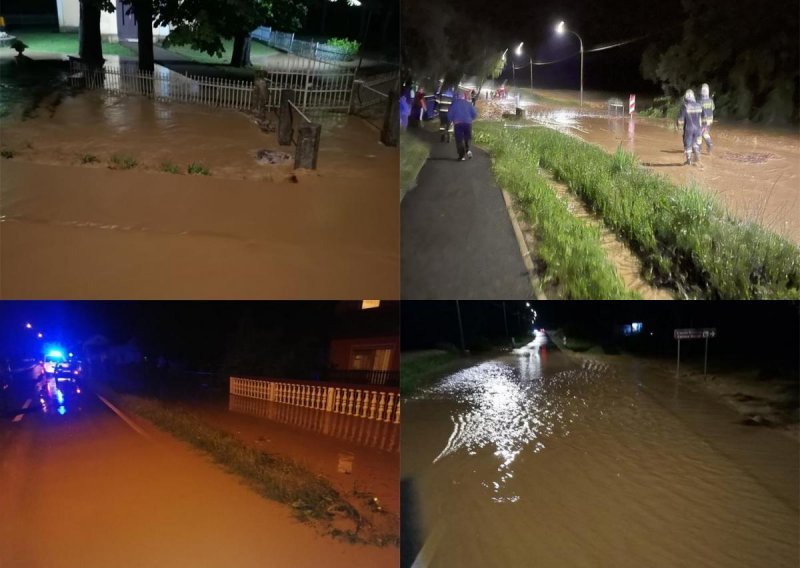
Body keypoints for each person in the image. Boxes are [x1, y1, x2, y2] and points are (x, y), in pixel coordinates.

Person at [676, 89, 703, 165]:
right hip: (698, 128)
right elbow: (701, 118)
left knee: (687, 144)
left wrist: (679, 127)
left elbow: (680, 120)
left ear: (685, 98)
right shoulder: (699, 105)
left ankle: (688, 161)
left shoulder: (685, 106)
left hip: (689, 129)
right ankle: (697, 152)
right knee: (695, 143)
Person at [448, 92, 478, 161]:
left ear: (457, 97)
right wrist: (470, 119)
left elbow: (449, 115)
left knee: (459, 140)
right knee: (468, 138)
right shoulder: (468, 104)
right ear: (463, 97)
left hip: (458, 124)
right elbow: (474, 114)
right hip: (468, 123)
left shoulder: (454, 104)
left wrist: (452, 120)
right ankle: (468, 149)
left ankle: (461, 155)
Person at [698, 83, 715, 154]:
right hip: (710, 120)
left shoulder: (700, 101)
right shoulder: (711, 101)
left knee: (699, 134)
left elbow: (698, 111)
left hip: (703, 120)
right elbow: (713, 108)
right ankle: (709, 144)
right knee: (705, 133)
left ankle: (698, 149)